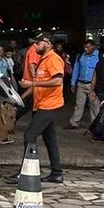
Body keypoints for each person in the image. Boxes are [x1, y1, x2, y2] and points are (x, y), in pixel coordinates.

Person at [8, 32, 65, 184]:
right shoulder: (43, 59)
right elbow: (38, 84)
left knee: (30, 136)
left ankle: (26, 172)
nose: (35, 45)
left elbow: (57, 81)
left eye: (38, 43)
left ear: (48, 43)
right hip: (41, 104)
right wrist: (21, 97)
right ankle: (56, 173)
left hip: (49, 104)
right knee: (50, 139)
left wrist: (32, 83)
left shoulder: (53, 59)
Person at [68, 40, 102, 128]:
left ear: (93, 47)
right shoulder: (80, 56)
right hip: (81, 83)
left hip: (93, 85)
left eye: (88, 47)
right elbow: (76, 69)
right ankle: (74, 122)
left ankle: (95, 125)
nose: (86, 49)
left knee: (94, 105)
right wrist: (73, 83)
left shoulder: (100, 56)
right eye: (85, 47)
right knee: (79, 104)